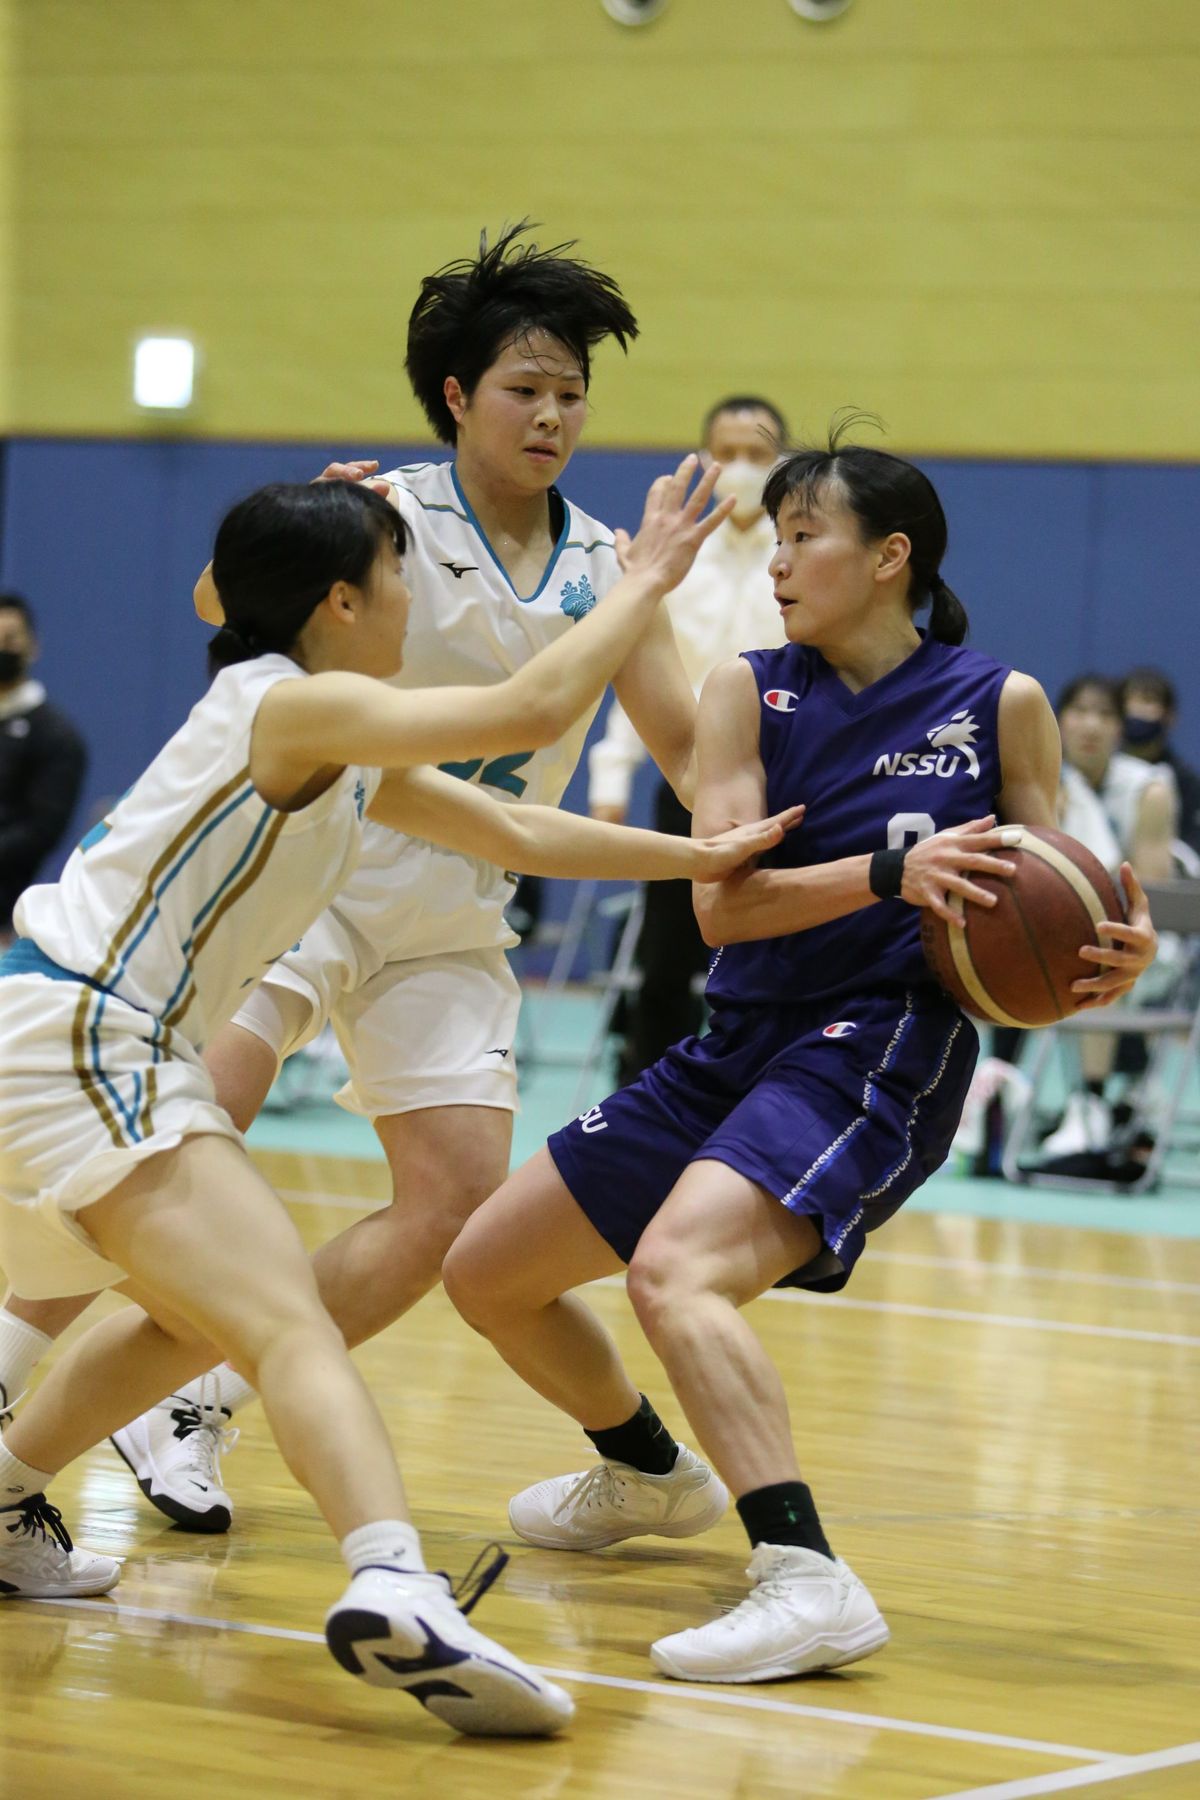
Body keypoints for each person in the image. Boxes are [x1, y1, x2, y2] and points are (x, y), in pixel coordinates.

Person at [0, 474, 790, 1734]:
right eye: (396, 575)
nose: (413, 597)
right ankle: (396, 1584)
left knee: (200, 1319)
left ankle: (4, 1501)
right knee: (288, 1326)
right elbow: (534, 708)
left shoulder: (337, 745)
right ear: (340, 602)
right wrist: (643, 582)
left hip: (60, 1038)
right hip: (88, 1041)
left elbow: (515, 833)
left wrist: (695, 857)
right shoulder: (295, 700)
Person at [0, 224, 704, 1519]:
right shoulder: (385, 515)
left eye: (571, 392)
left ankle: (195, 1402)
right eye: (526, 388)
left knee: (452, 1206)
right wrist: (300, 528)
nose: (554, 415)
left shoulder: (609, 569)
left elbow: (695, 753)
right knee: (157, 1146)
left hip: (457, 905)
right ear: (458, 396)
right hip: (320, 876)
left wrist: (775, 828)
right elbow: (221, 602)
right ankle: (8, 1386)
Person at [440, 427, 1158, 1686]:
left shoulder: (1002, 703)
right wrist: (888, 871)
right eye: (773, 538)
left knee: (677, 1274)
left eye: (803, 536)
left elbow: (1045, 905)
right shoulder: (749, 691)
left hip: (881, 1038)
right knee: (488, 1272)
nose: (775, 561)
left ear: (890, 558)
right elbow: (723, 907)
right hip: (738, 1035)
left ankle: (806, 1576)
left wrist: (1109, 954)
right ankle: (650, 1472)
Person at [589, 395, 789, 1079]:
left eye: (757, 454)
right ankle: (646, 1092)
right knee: (666, 961)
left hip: (789, 782)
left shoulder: (801, 553)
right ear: (704, 459)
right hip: (689, 783)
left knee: (774, 958)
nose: (741, 466)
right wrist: (612, 773)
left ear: (782, 462)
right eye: (726, 453)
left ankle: (763, 1094)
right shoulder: (679, 558)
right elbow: (644, 667)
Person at [1041, 672, 1175, 1157]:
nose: (1091, 725)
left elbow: (1151, 899)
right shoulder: (1043, 781)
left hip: (1147, 943)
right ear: (1059, 721)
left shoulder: (1149, 790)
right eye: (1080, 711)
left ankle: (1092, 1101)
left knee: (1104, 954)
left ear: (1120, 727)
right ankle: (1001, 1092)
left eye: (1105, 714)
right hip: (1063, 934)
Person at [0, 592, 87, 943]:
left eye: (10, 639)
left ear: (32, 646)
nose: (2, 648)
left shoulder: (56, 737)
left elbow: (40, 831)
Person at [1120, 665, 1200, 862]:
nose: (1136, 710)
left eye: (1147, 701)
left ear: (1169, 716)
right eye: (1129, 701)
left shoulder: (1186, 782)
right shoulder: (1103, 772)